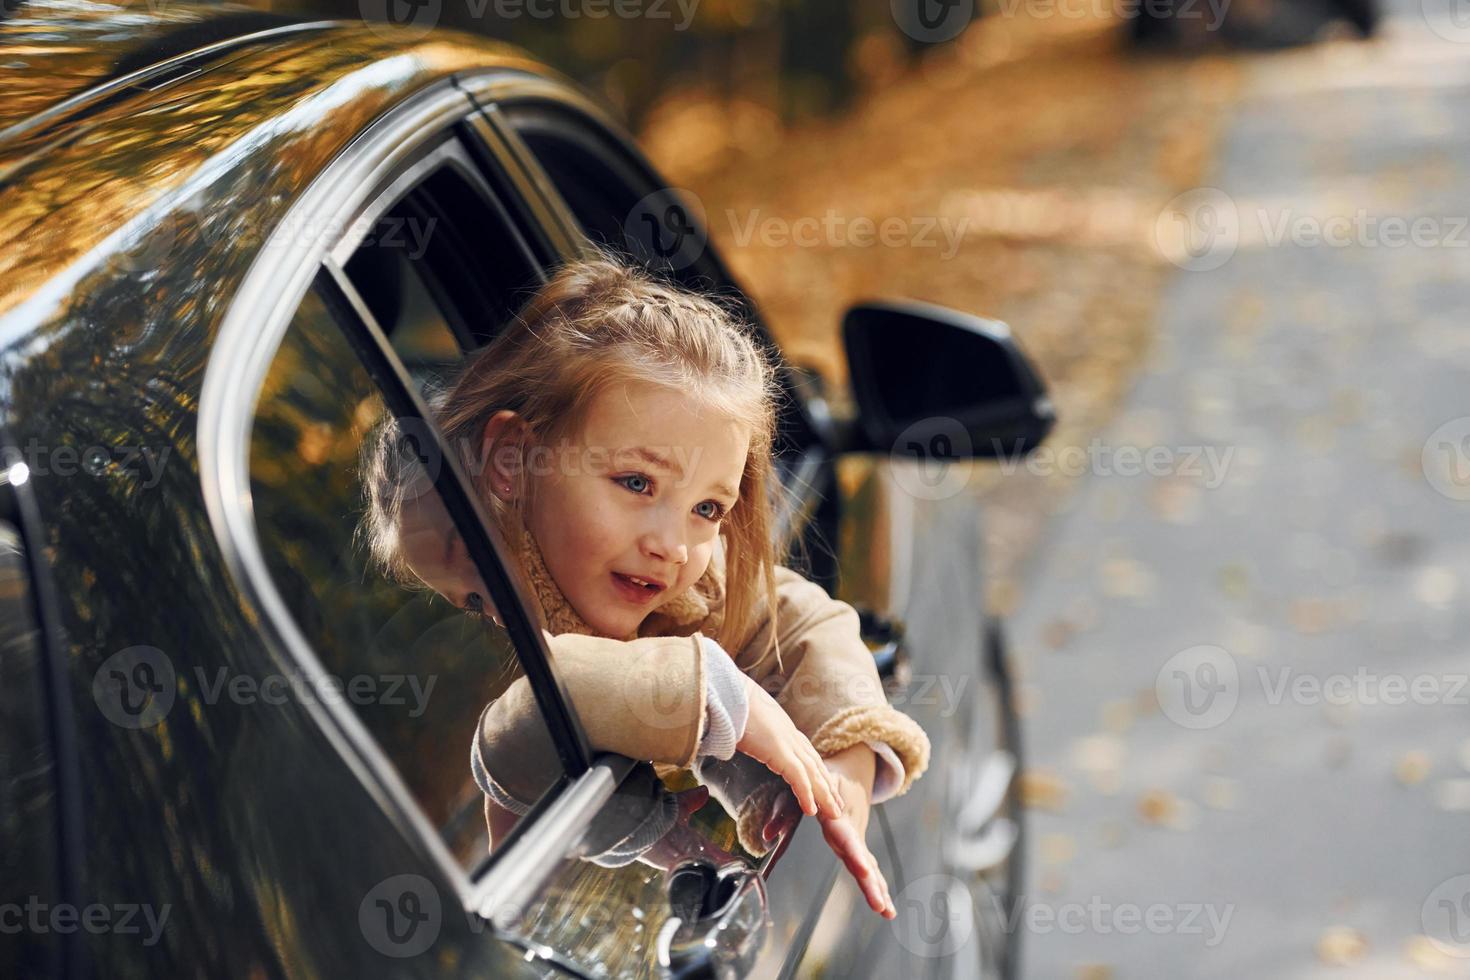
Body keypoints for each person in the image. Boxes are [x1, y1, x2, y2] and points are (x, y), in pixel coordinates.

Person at [362, 252, 930, 919]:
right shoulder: (457, 556)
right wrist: (726, 699)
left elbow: (800, 619)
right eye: (637, 484)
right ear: (513, 461)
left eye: (708, 509)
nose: (673, 542)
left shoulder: (676, 576)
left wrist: (845, 761)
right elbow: (532, 713)